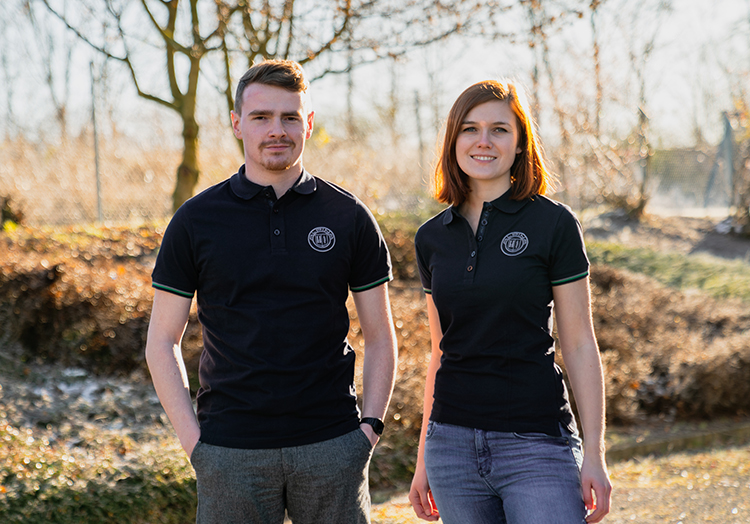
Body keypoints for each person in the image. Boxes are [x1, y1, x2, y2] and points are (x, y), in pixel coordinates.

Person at [145, 59, 398, 524]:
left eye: (290, 117)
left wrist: (368, 430)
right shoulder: (196, 221)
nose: (276, 130)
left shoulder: (348, 216)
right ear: (237, 124)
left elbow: (381, 334)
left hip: (332, 445)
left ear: (309, 123)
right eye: (261, 117)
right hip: (229, 451)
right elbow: (162, 341)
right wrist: (196, 445)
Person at [407, 80, 612, 524]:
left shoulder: (553, 224)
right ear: (453, 140)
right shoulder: (431, 238)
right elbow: (440, 352)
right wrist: (424, 458)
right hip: (451, 449)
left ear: (519, 144)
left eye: (499, 129)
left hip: (536, 443)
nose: (483, 140)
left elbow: (580, 344)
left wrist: (595, 454)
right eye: (470, 128)